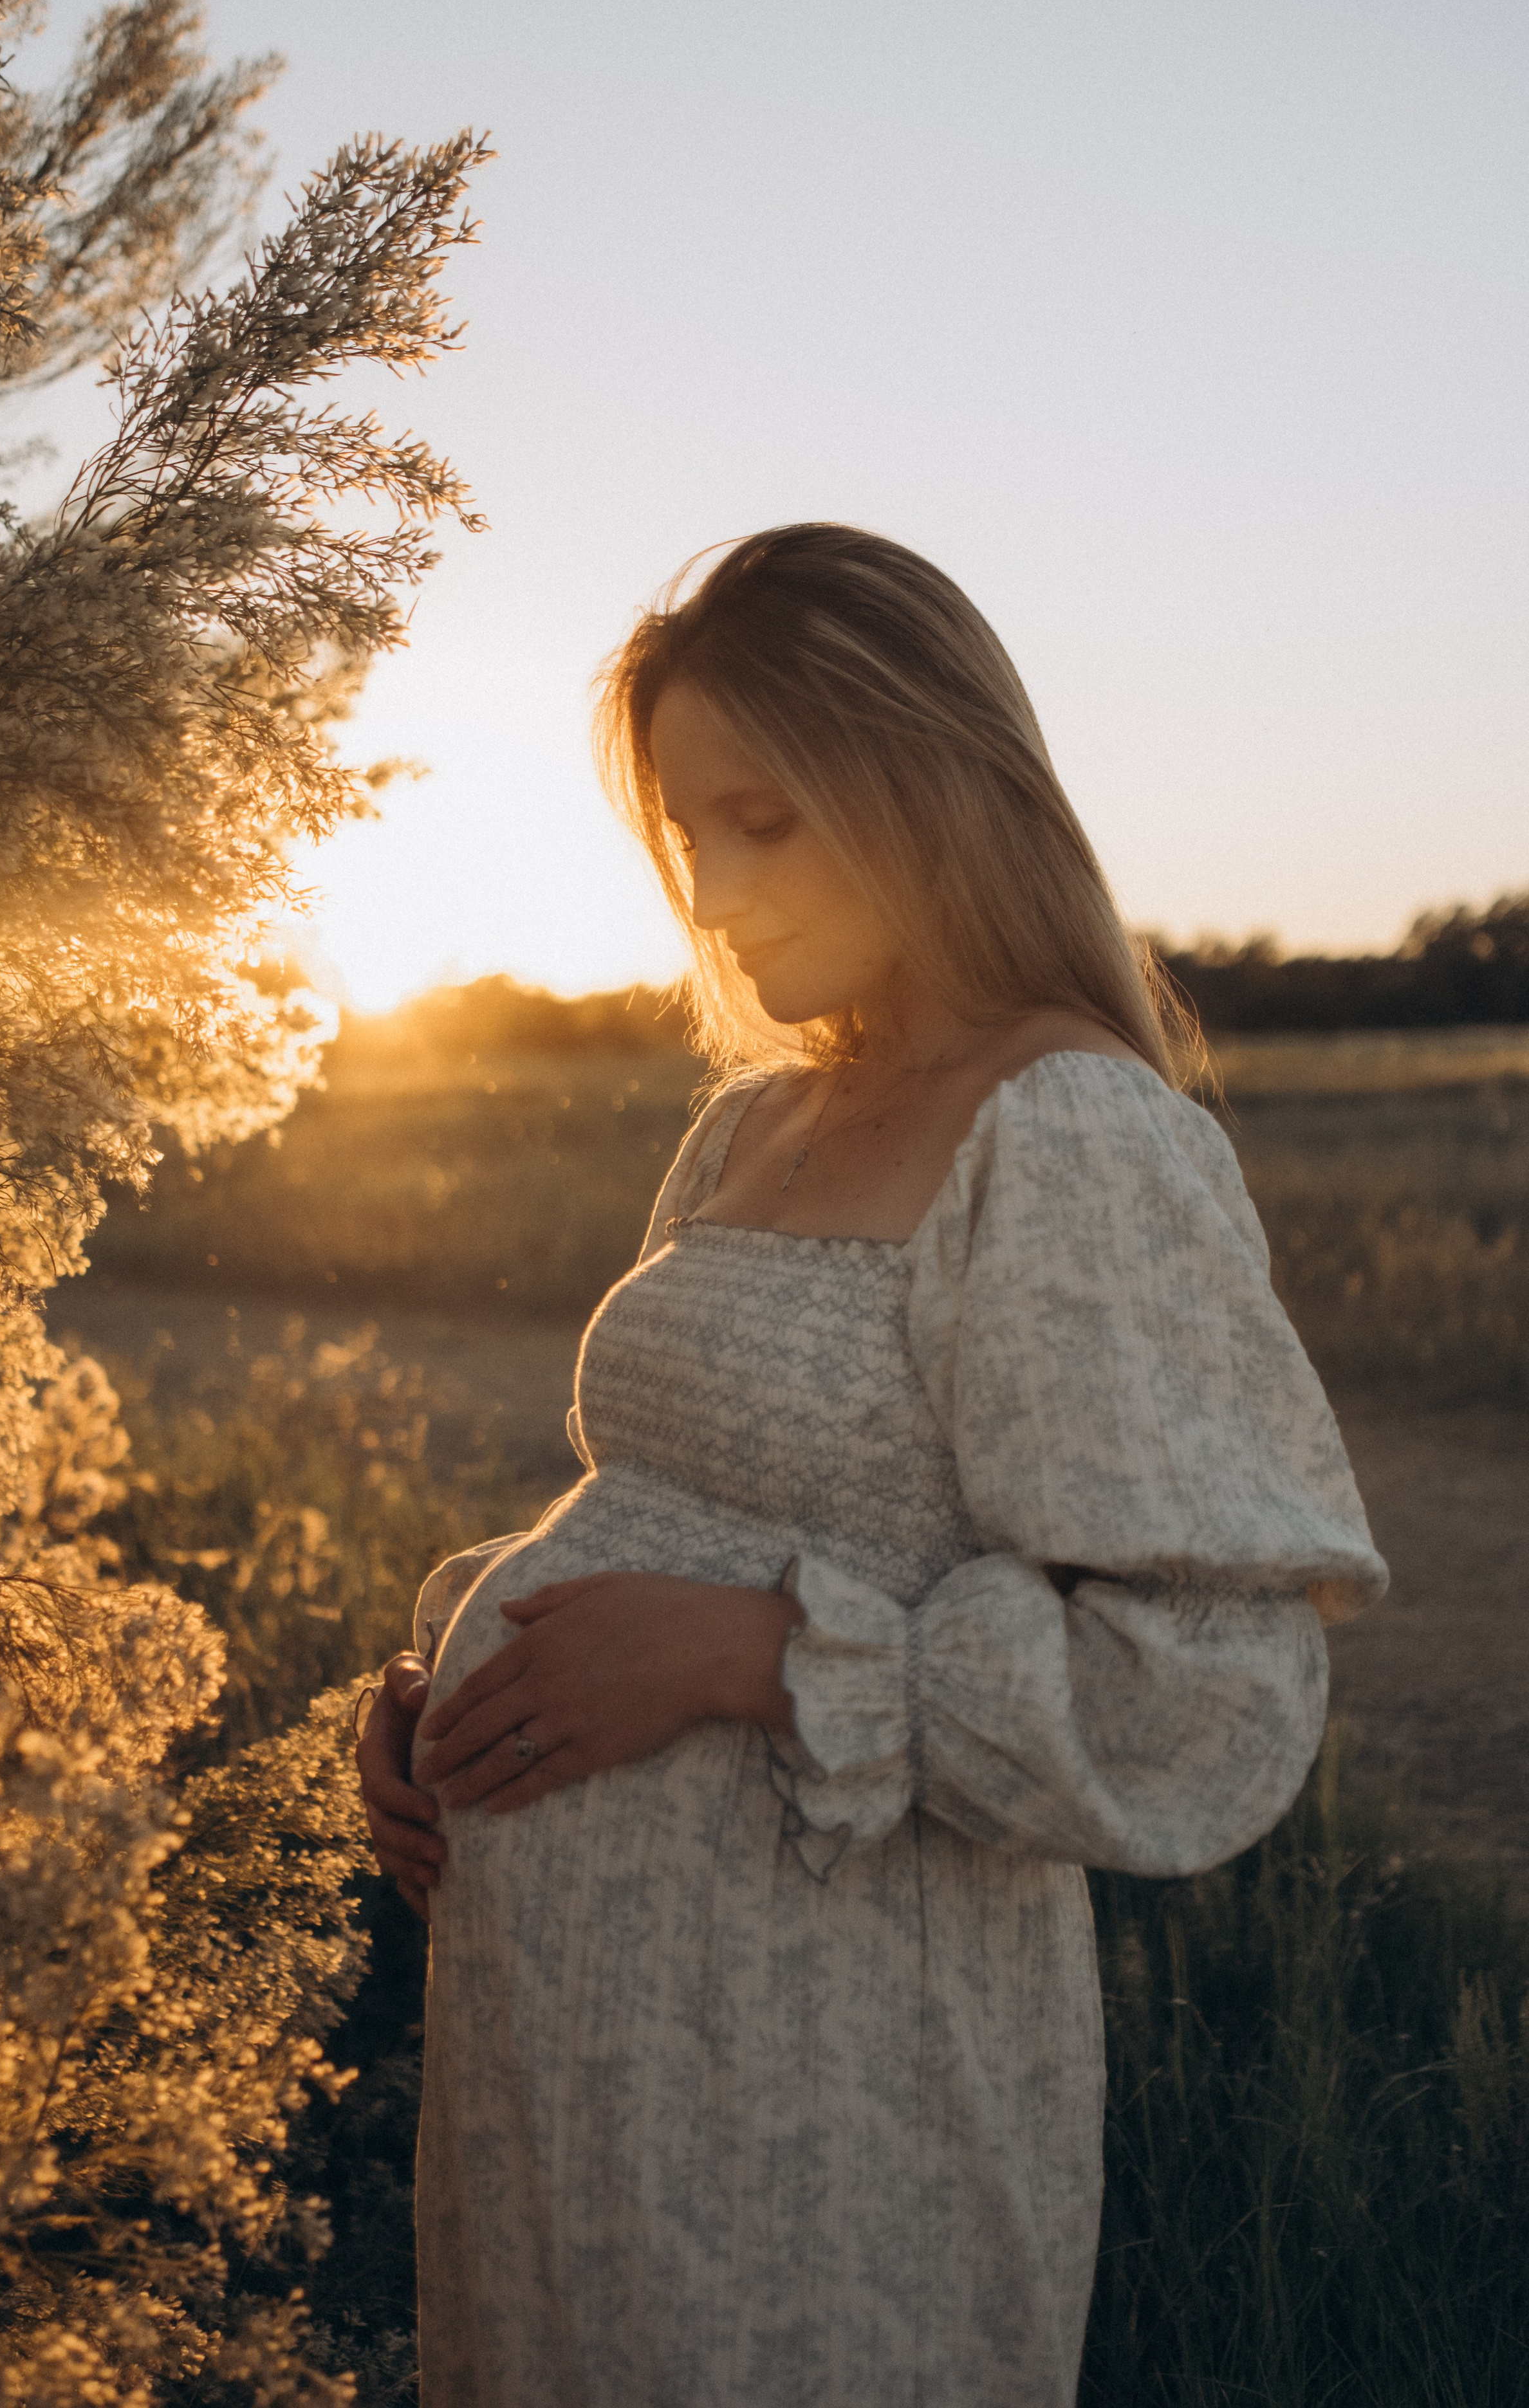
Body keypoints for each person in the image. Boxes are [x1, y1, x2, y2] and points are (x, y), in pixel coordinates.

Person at [357, 523, 1387, 2408]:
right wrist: (463, 1682)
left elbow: (1209, 1691)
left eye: (765, 818)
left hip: (828, 2084)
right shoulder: (754, 1122)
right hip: (567, 2076)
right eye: (689, 836)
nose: (718, 893)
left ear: (918, 777)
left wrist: (748, 1656)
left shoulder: (1068, 1128)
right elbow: (693, 1492)